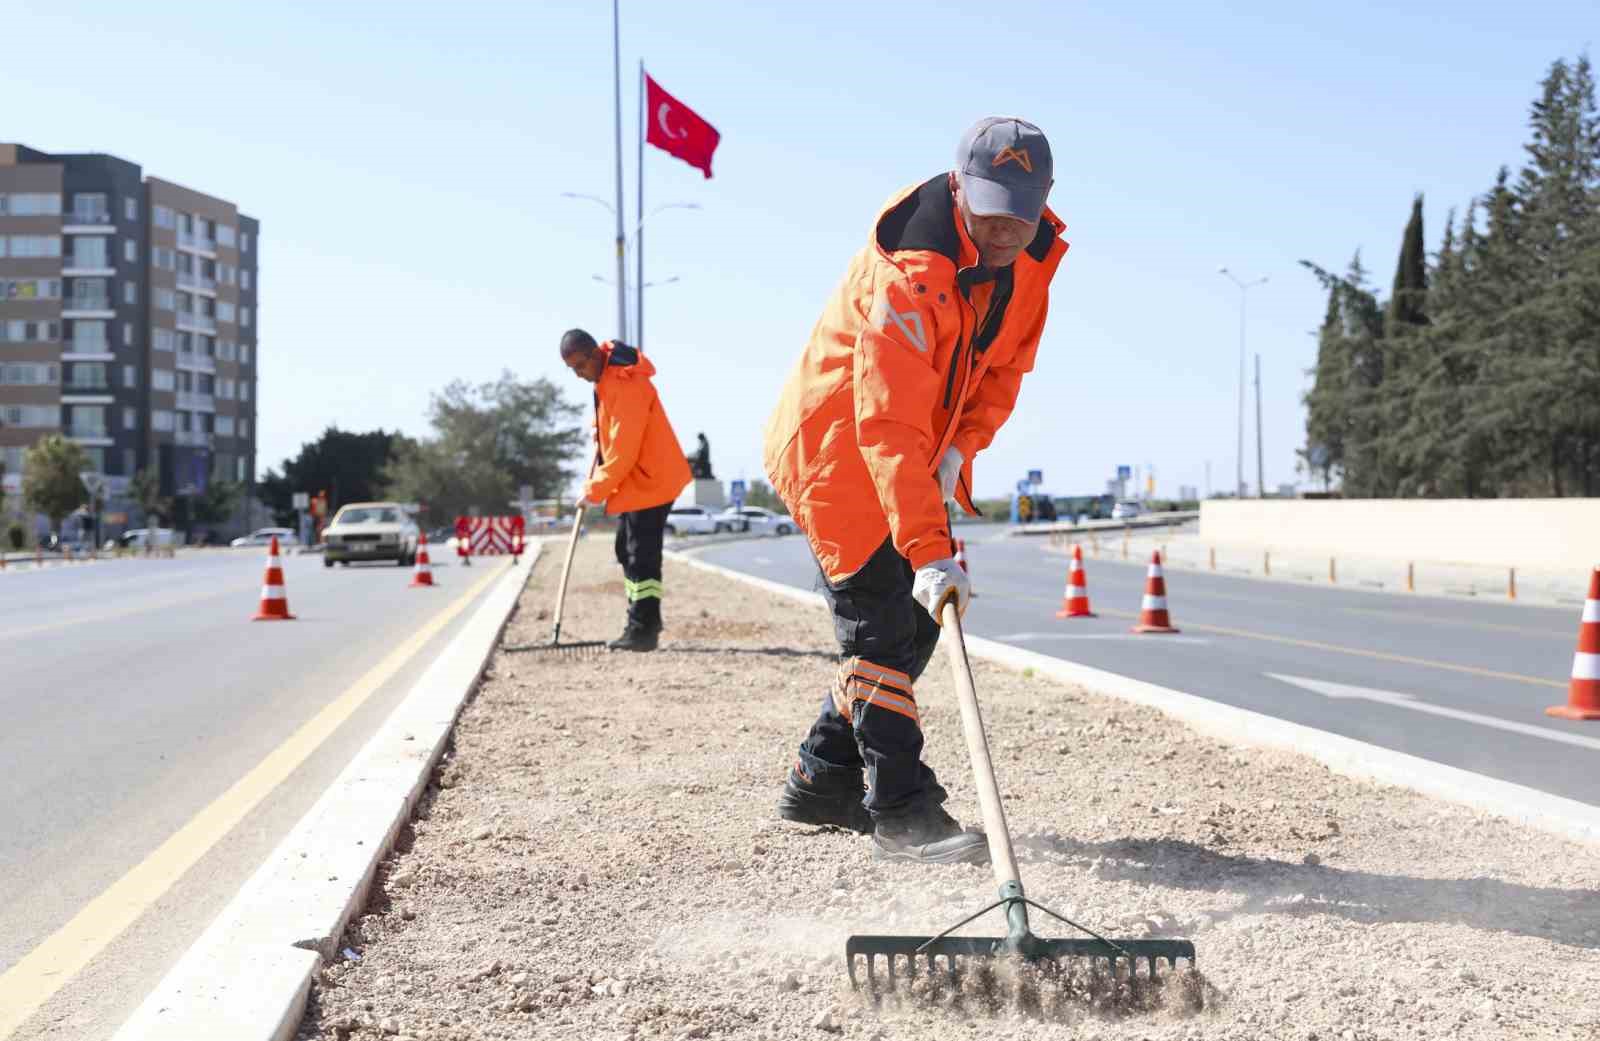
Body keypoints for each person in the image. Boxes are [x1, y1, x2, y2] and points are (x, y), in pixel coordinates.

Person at [763, 117, 1068, 864]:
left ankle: (822, 775)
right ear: (959, 185)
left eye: (1021, 217)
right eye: (993, 213)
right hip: (838, 450)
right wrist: (928, 549)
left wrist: (963, 445)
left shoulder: (1029, 260)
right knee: (876, 629)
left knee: (920, 629)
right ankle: (902, 811)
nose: (1006, 234)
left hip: (915, 448)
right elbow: (886, 422)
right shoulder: (908, 271)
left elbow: (1003, 370)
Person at [560, 329, 692, 651]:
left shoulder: (627, 382)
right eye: (571, 370)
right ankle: (645, 620)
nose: (578, 375)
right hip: (637, 481)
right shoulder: (605, 380)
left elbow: (624, 449)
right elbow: (608, 433)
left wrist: (594, 490)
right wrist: (597, 443)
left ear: (593, 355)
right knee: (626, 550)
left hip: (651, 480)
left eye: (579, 366)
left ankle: (642, 631)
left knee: (640, 556)